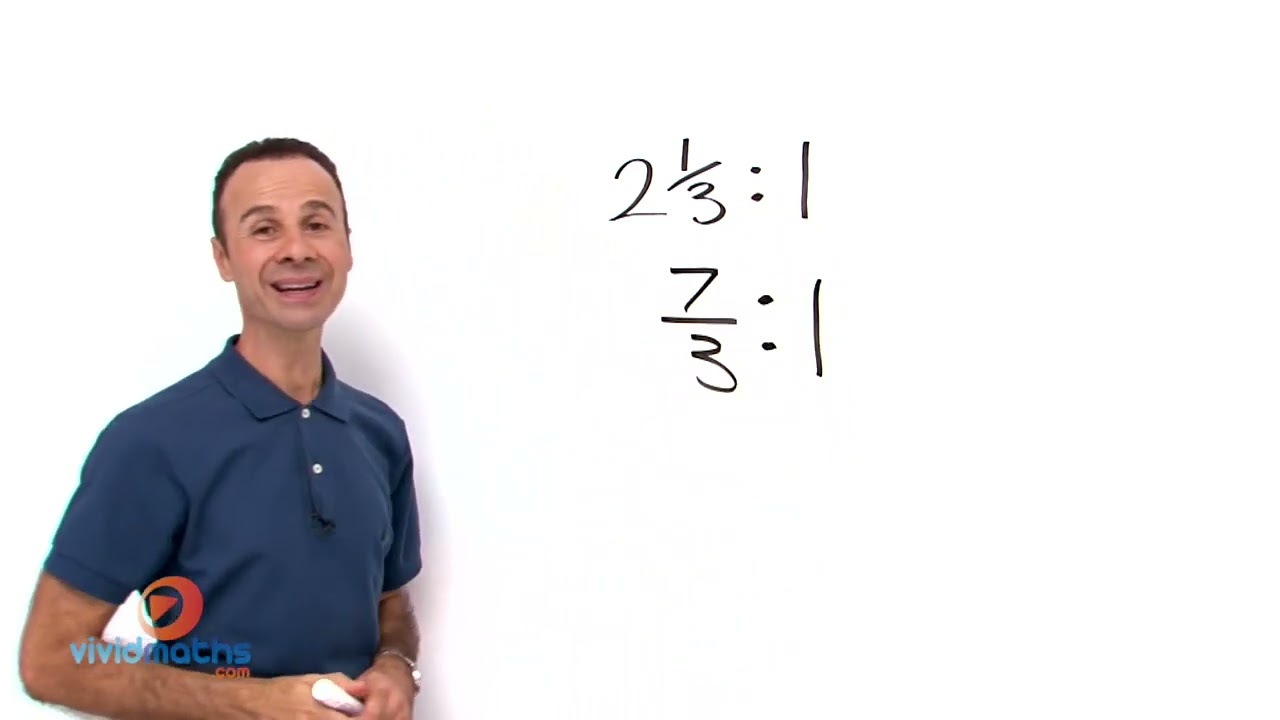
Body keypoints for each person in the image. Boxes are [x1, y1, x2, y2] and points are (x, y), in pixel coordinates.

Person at [18, 138, 423, 719]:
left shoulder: (379, 432)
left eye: (316, 224)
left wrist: (396, 666)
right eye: (264, 229)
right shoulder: (152, 441)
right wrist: (252, 703)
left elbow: (390, 602)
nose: (296, 250)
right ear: (223, 257)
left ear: (347, 245)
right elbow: (51, 661)